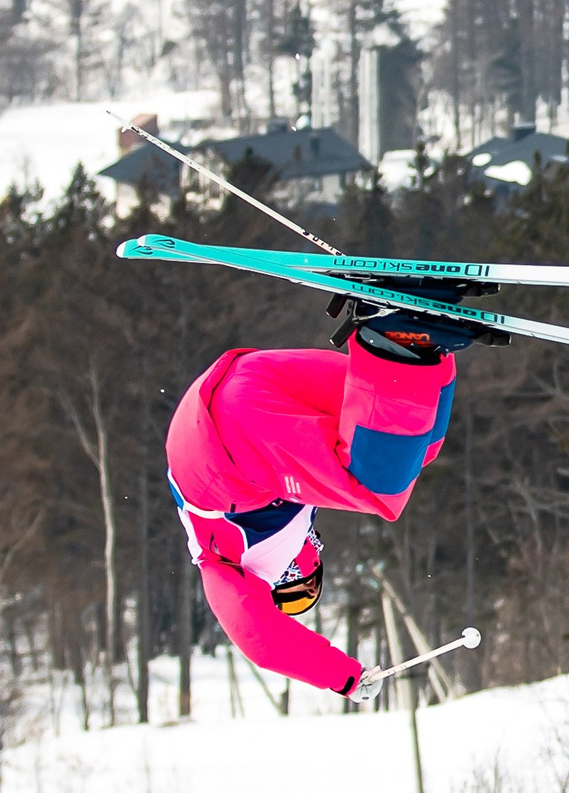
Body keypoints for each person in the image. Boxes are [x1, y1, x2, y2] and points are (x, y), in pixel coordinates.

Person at [166, 295, 475, 704]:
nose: (301, 583)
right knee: (414, 442)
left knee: (378, 489)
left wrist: (343, 677)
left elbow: (261, 640)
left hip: (226, 442)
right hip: (245, 377)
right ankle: (420, 339)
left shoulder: (221, 564)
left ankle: (399, 337)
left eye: (293, 597)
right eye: (308, 592)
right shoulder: (298, 511)